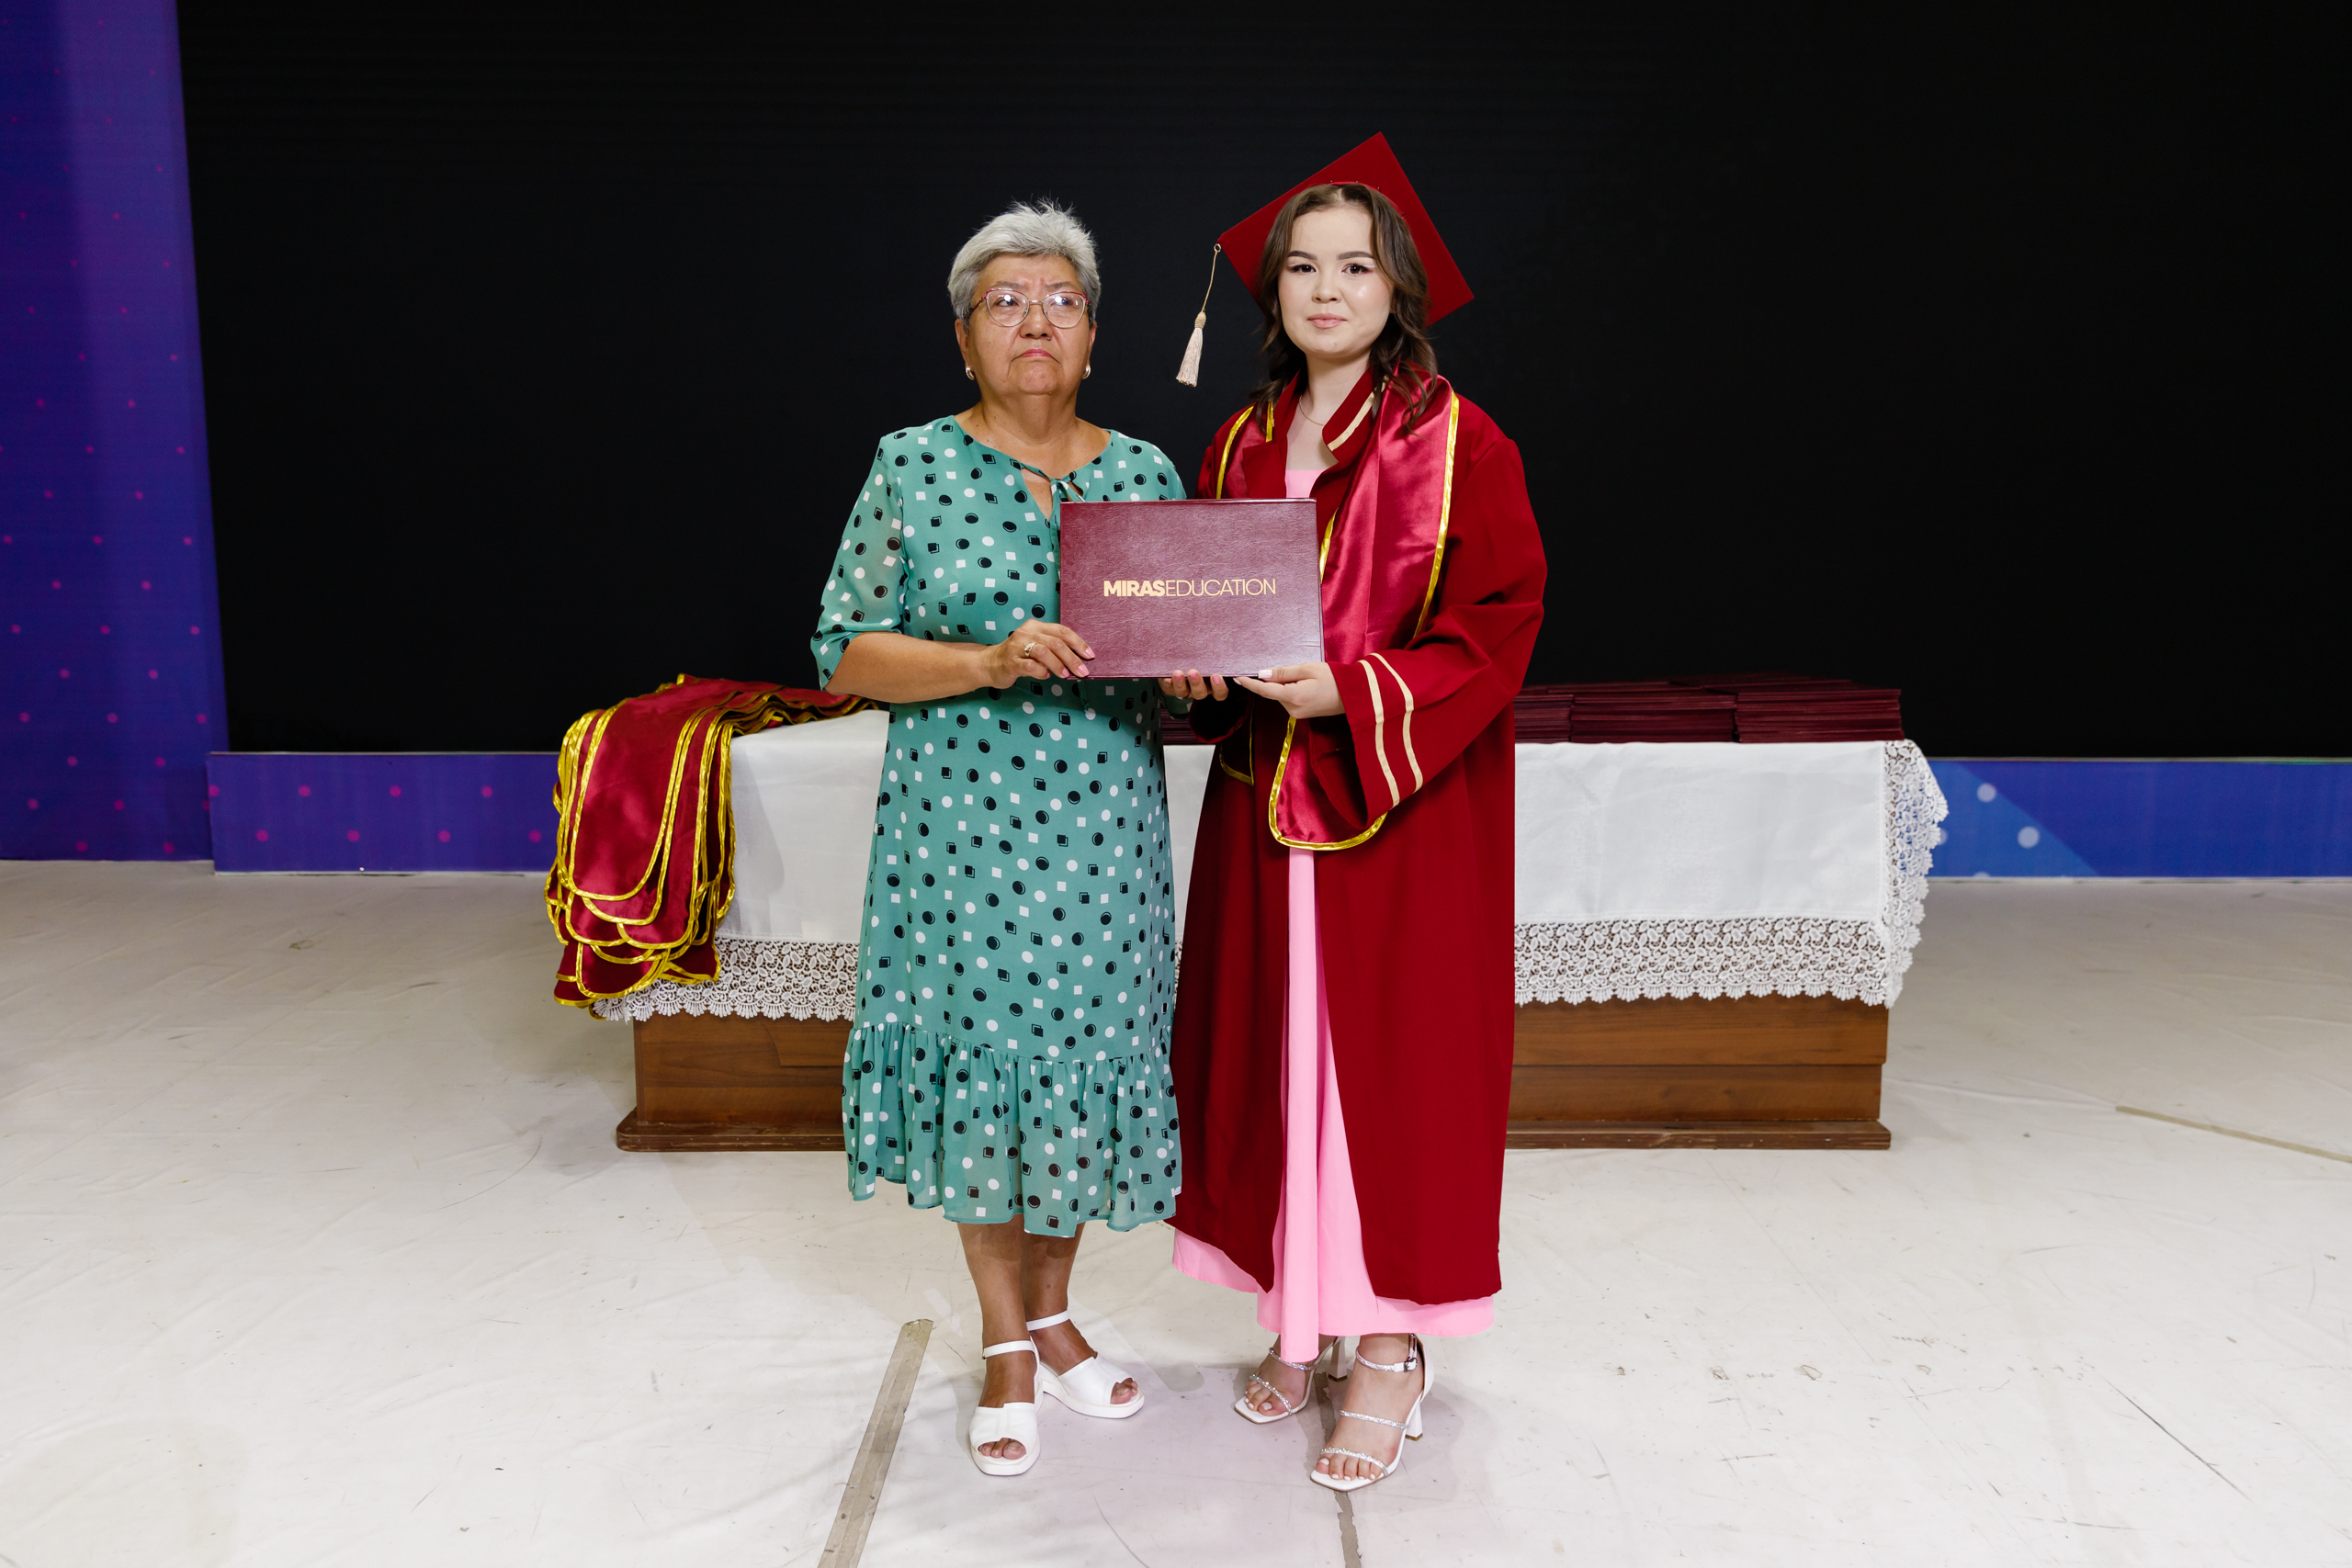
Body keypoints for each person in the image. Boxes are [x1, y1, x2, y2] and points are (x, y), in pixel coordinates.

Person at [1163, 146, 1546, 1493]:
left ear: (1399, 289)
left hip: (1403, 806)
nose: (1327, 288)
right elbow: (1208, 611)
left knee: (1394, 1070)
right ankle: (1302, 1313)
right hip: (1264, 808)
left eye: (1356, 266)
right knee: (1277, 1050)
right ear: (1274, 290)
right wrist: (1194, 666)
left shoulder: (1459, 440)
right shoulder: (1240, 440)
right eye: (1303, 266)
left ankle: (1389, 1347)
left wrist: (1356, 691)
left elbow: (1499, 626)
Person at [816, 202, 1189, 1478]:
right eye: (1006, 300)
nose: (1037, 321)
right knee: (986, 1077)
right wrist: (985, 659)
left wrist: (1195, 674)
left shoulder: (1144, 473)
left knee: (1078, 1072)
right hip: (960, 843)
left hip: (1104, 846)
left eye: (1062, 300)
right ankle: (1005, 1341)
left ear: (1093, 332)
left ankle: (1058, 1311)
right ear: (965, 334)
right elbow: (845, 651)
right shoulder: (911, 466)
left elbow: (1180, 648)